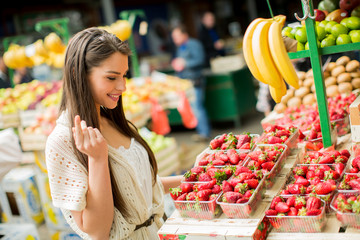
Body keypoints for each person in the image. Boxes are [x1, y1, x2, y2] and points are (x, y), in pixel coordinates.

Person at [45, 27, 183, 239]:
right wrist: (97, 158)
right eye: (111, 78)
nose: (122, 86)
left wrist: (192, 178)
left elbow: (139, 190)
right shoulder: (62, 141)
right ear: (77, 74)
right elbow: (98, 231)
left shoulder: (111, 119)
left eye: (124, 75)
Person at [171, 25, 211, 141]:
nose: (175, 39)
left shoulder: (194, 44)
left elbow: (200, 60)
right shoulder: (180, 47)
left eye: (177, 36)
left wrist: (184, 63)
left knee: (197, 107)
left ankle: (204, 133)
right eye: (173, 37)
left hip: (195, 81)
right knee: (194, 108)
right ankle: (201, 132)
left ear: (184, 34)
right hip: (186, 83)